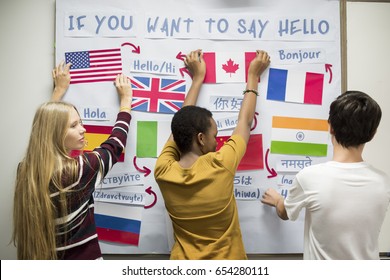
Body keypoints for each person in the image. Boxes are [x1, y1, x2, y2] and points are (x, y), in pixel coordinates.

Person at [154, 49, 270, 259]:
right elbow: (244, 122)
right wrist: (253, 76)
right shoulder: (220, 164)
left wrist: (197, 79)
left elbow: (179, 126)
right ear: (200, 138)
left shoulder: (162, 170)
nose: (217, 142)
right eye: (214, 135)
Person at [12, 61, 133, 259]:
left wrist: (58, 92)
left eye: (81, 122)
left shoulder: (26, 170)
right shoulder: (78, 171)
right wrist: (126, 102)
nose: (83, 129)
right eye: (74, 125)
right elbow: (114, 146)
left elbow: (44, 133)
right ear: (57, 132)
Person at [261, 90, 390, 260]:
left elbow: (285, 212)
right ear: (373, 133)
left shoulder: (309, 177)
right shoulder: (384, 182)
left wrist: (278, 200)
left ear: (331, 127)